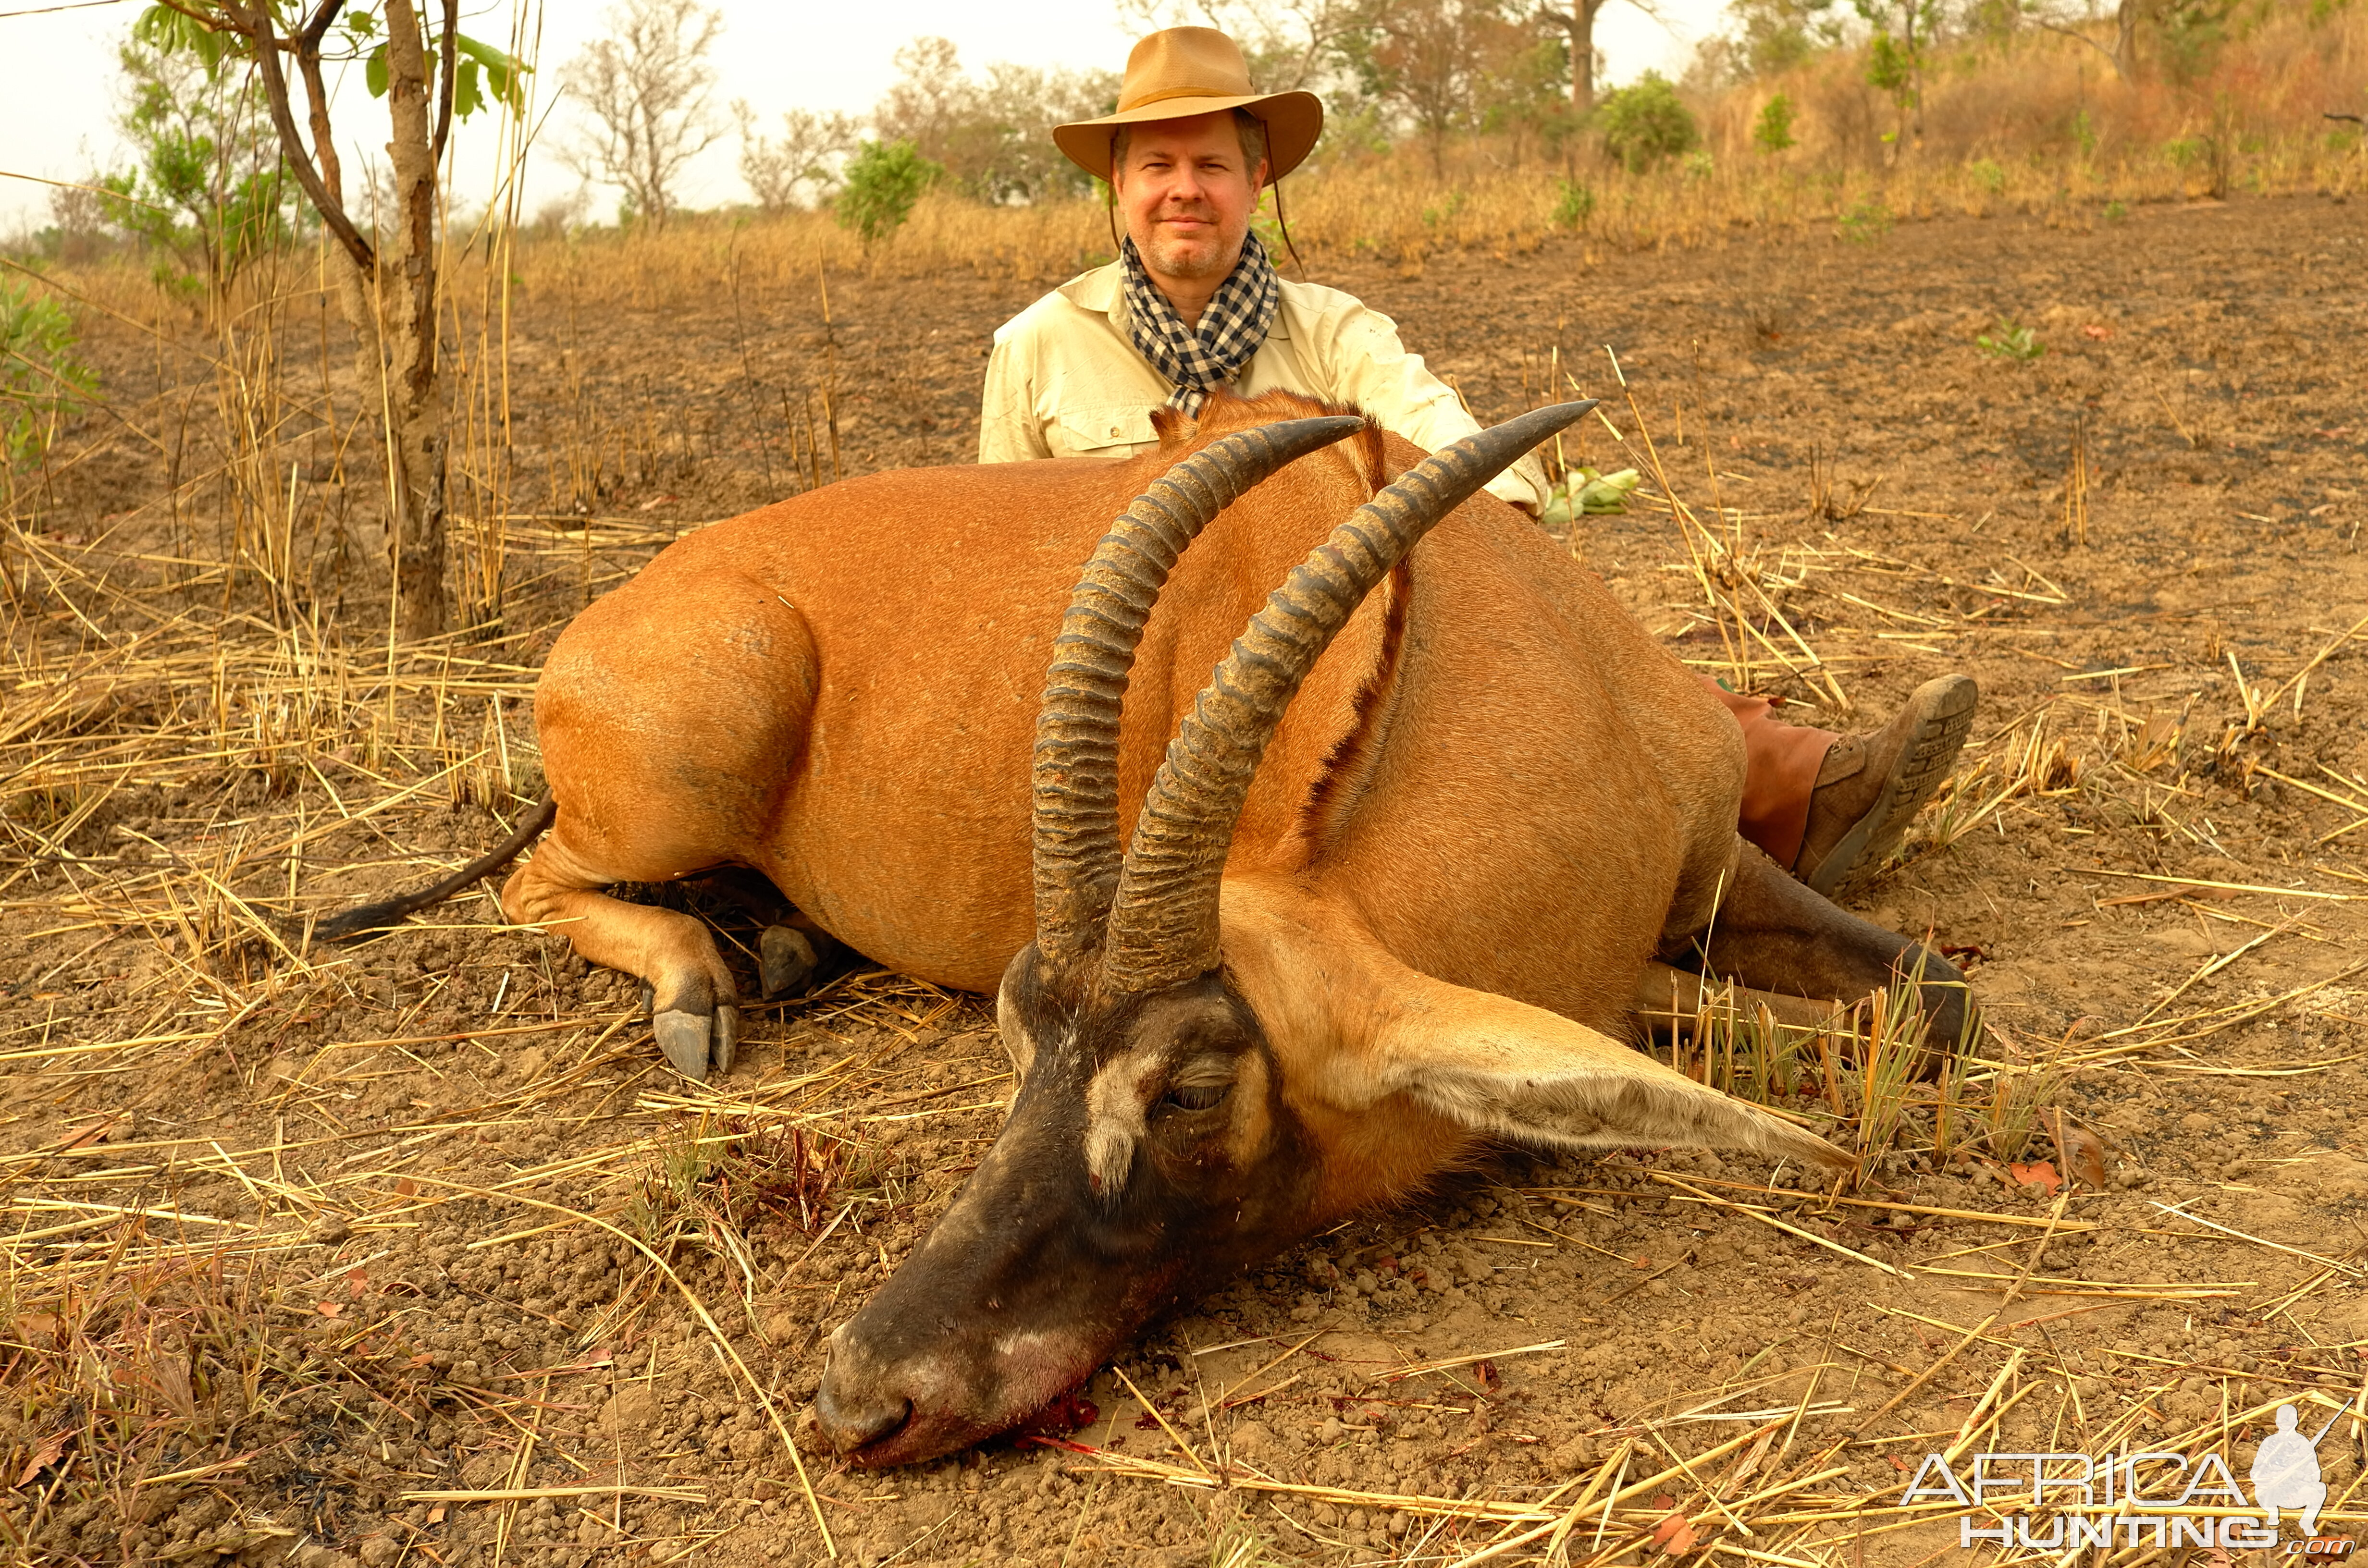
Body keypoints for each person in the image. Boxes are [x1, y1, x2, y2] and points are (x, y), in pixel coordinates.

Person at [979, 26, 1977, 894]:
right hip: (1139, 709)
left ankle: (1789, 793)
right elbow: (1004, 579)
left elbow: (1467, 455)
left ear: (1257, 180)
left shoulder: (1334, 333)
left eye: (1210, 166)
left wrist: (1477, 565)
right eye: (1157, 166)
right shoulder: (1035, 348)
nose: (1183, 191)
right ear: (1118, 184)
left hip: (1324, 662)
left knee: (1513, 635)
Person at [2252, 1403, 2331, 1540]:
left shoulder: (2304, 1444)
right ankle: (2272, 1514)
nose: (2286, 1424)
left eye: (2289, 1420)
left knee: (2320, 1488)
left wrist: (2300, 1476)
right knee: (2260, 1490)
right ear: (2277, 1422)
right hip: (2274, 1492)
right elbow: (2256, 1473)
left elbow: (2315, 1473)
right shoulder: (2269, 1443)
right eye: (2283, 1420)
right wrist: (2276, 1474)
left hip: (2296, 1491)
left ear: (2296, 1422)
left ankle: (2307, 1522)